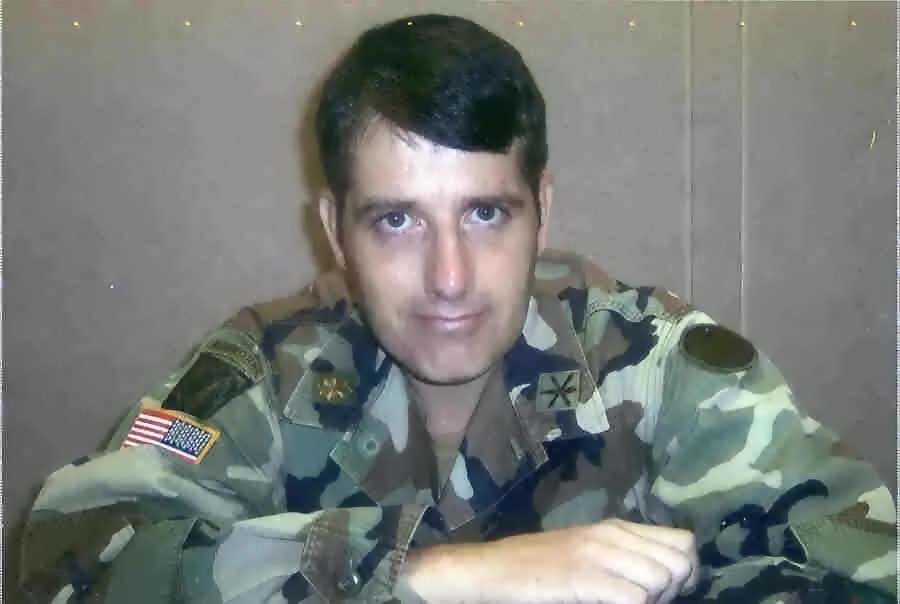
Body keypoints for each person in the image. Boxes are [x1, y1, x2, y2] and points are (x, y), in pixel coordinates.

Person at [20, 13, 895, 604]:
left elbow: (860, 567)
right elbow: (74, 560)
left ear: (542, 212)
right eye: (396, 220)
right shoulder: (264, 371)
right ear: (334, 230)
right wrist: (432, 575)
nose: (448, 276)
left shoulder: (655, 361)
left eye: (485, 214)